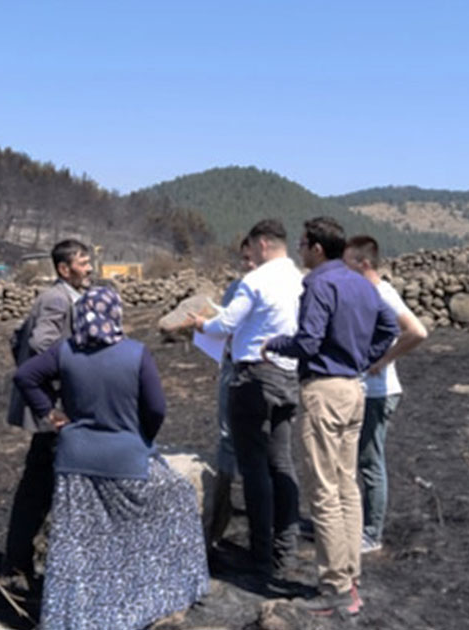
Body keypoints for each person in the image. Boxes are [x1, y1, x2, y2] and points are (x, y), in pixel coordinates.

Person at [13, 287, 210, 630]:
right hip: (127, 460)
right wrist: (142, 436)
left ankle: (74, 614)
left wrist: (51, 414)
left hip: (74, 462)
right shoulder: (135, 353)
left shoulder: (66, 350)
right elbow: (156, 408)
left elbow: (24, 375)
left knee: (80, 541)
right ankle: (153, 595)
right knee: (177, 497)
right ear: (115, 314)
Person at [263, 217, 399, 616]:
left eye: (303, 242)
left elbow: (307, 341)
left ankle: (336, 586)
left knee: (324, 491)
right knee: (346, 485)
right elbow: (388, 326)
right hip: (355, 390)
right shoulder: (360, 281)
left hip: (324, 390)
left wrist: (275, 345)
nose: (300, 249)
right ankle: (350, 574)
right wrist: (363, 358)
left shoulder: (319, 284)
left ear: (317, 248)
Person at [190, 219, 303, 576]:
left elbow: (226, 325)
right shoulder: (300, 279)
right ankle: (286, 551)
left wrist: (202, 325)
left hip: (253, 377)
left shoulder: (256, 280)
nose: (249, 255)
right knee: (282, 463)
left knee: (254, 468)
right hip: (288, 375)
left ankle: (260, 553)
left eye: (251, 248)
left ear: (264, 243)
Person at [3, 239, 92, 583]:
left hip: (51, 404)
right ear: (63, 269)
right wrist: (81, 365)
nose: (89, 268)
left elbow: (17, 339)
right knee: (40, 483)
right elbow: (41, 342)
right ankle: (19, 562)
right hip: (54, 409)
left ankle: (19, 559)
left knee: (39, 481)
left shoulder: (65, 296)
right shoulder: (57, 298)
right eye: (82, 263)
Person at [343, 236, 428, 554]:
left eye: (349, 262)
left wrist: (383, 361)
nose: (344, 268)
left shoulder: (382, 294)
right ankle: (363, 525)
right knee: (363, 459)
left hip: (378, 392)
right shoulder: (369, 293)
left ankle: (371, 533)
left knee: (370, 460)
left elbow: (417, 331)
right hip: (370, 389)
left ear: (364, 264)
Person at [208, 238, 257, 546]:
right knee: (227, 438)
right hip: (232, 368)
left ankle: (259, 515)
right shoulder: (235, 289)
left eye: (250, 258)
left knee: (257, 447)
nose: (246, 264)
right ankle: (221, 509)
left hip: (256, 373)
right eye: (243, 259)